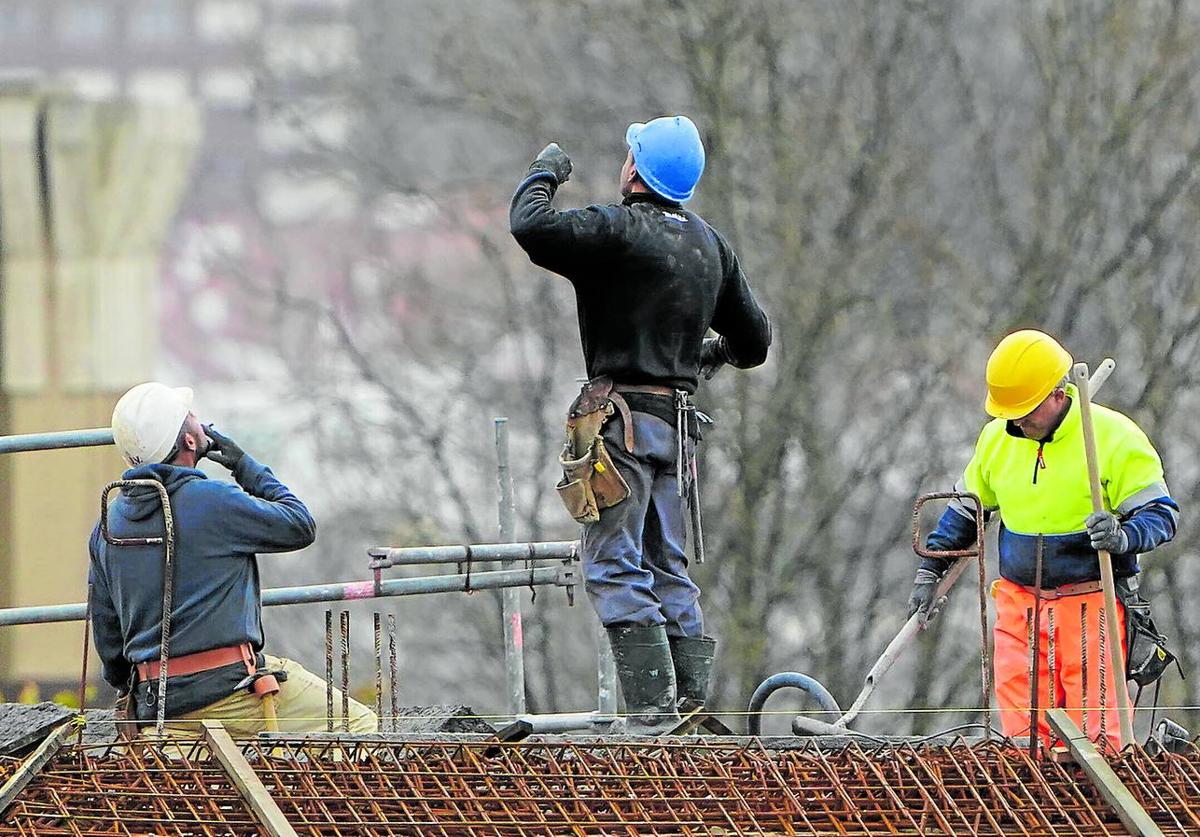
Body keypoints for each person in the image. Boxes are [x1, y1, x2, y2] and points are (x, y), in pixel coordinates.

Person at [510, 115, 771, 732]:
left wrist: (545, 171)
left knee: (613, 561)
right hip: (674, 430)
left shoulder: (618, 230)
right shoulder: (710, 246)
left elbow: (531, 226)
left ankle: (653, 713)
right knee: (667, 565)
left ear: (635, 168)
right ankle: (692, 707)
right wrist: (705, 354)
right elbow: (754, 341)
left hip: (618, 422)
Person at [909, 330, 1178, 750]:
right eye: (1009, 411)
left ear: (1057, 393)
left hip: (1091, 605)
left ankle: (1096, 813)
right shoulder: (996, 441)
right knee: (1023, 737)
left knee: (1097, 739)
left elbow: (1162, 515)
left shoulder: (1112, 438)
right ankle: (1032, 810)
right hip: (1020, 605)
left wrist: (1123, 535)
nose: (1015, 421)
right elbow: (965, 511)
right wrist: (930, 570)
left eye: (1024, 410)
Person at [90, 382, 377, 735]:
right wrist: (244, 465)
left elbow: (109, 638)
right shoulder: (211, 500)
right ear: (190, 441)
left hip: (159, 708)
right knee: (361, 725)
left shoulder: (109, 523)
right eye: (191, 417)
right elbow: (299, 524)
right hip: (230, 694)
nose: (200, 420)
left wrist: (137, 694)